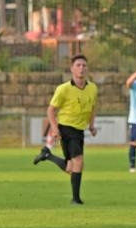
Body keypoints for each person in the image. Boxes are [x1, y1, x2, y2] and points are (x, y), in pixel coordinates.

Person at [33, 54, 98, 205]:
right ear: (72, 69)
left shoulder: (92, 88)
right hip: (66, 128)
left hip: (79, 130)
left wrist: (92, 125)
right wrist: (55, 129)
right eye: (78, 65)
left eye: (84, 65)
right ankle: (75, 199)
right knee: (79, 162)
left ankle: (47, 155)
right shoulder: (63, 89)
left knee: (71, 168)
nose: (81, 68)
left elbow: (93, 107)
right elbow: (50, 110)